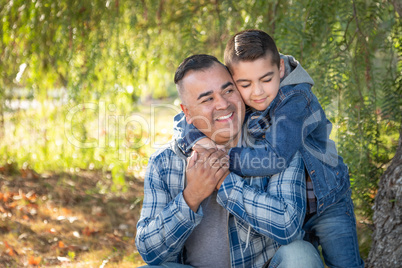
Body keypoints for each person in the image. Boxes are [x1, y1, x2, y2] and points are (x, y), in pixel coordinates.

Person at [174, 30, 364, 268]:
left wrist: (223, 159)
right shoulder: (241, 94)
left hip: (327, 201)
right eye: (244, 84)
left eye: (266, 79)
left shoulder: (295, 99)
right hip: (293, 205)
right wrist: (198, 141)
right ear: (233, 81)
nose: (257, 92)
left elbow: (274, 158)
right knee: (302, 256)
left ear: (281, 69)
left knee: (345, 264)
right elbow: (188, 116)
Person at [135, 54, 324, 268]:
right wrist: (192, 195)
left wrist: (225, 181)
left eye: (228, 90)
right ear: (186, 112)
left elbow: (288, 226)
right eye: (207, 99)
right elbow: (149, 252)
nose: (223, 104)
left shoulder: (276, 147)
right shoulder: (165, 162)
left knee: (300, 255)